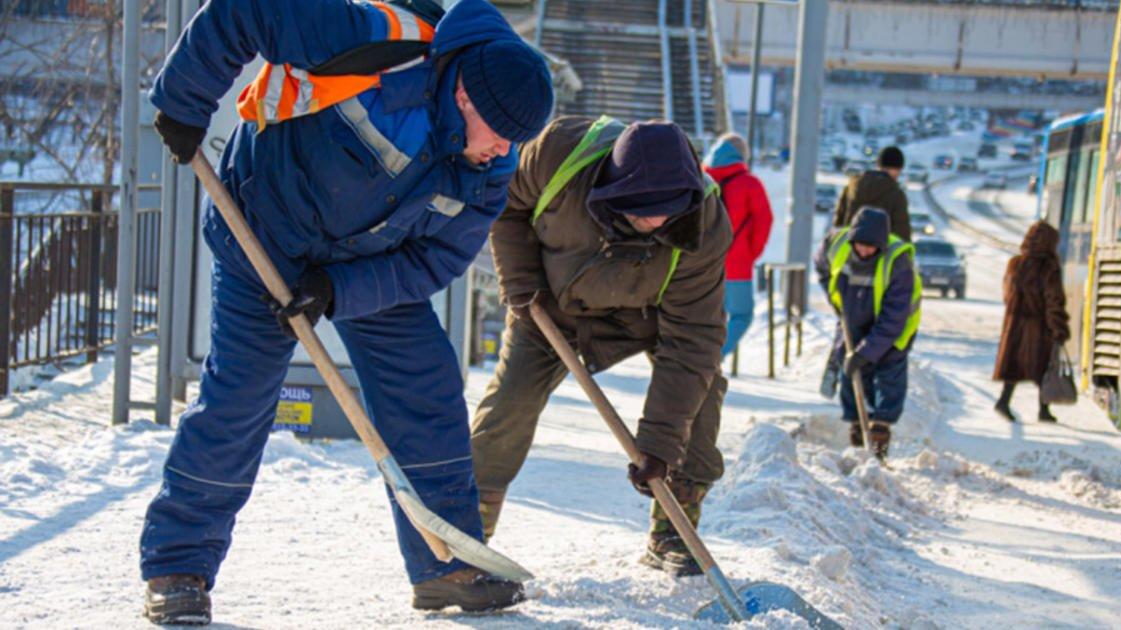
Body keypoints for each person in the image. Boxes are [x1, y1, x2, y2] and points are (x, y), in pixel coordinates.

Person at [140, 0, 554, 623]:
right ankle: (178, 567)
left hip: (366, 265)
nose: (503, 153)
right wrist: (184, 100)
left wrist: (339, 290)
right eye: (498, 134)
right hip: (263, 231)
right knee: (241, 398)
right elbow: (245, 11)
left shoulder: (488, 169)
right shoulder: (371, 45)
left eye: (514, 143)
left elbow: (436, 261)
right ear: (465, 94)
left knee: (428, 390)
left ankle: (447, 564)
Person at [470, 116, 731, 577]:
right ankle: (468, 531)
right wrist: (521, 282)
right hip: (549, 303)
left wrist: (659, 444)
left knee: (701, 395)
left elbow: (694, 341)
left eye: (666, 213)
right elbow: (506, 207)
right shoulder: (556, 154)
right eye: (641, 212)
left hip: (646, 314)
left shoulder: (704, 220)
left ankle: (673, 528)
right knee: (510, 403)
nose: (655, 222)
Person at [815, 207, 922, 459]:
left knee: (889, 375)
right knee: (851, 370)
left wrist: (866, 352)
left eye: (870, 247)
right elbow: (821, 264)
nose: (863, 251)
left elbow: (893, 320)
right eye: (859, 245)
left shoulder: (898, 264)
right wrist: (834, 299)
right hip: (854, 317)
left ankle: (879, 438)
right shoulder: (839, 245)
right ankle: (857, 435)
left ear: (881, 245)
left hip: (895, 328)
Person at [703, 133, 773, 357]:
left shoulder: (701, 180)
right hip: (737, 263)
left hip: (702, 261)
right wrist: (751, 253)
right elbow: (765, 220)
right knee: (741, 315)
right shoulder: (750, 184)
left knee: (707, 314)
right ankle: (714, 356)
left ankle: (697, 357)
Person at [993, 221, 1070, 423]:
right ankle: (1043, 410)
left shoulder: (1015, 264)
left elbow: (1006, 295)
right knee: (1043, 367)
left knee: (1014, 366)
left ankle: (1004, 401)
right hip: (1038, 326)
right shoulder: (1048, 268)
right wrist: (1059, 328)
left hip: (1015, 325)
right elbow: (1054, 301)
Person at [833, 145, 911, 241]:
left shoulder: (851, 188)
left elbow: (838, 225)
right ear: (898, 169)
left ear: (879, 165)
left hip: (848, 250)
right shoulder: (896, 195)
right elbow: (901, 233)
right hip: (881, 253)